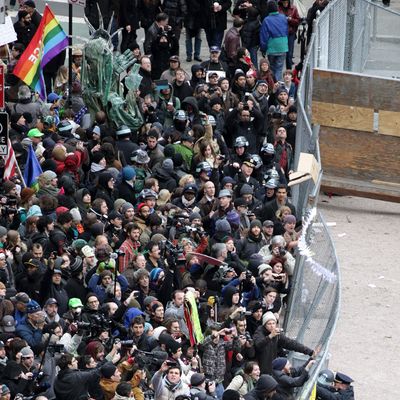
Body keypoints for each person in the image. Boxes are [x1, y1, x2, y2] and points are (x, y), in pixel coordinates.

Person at [259, 1, 289, 81]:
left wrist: (263, 49)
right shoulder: (283, 17)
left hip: (272, 46)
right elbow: (286, 31)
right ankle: (278, 85)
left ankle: (272, 85)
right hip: (283, 45)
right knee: (279, 68)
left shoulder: (266, 20)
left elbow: (264, 36)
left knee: (271, 68)